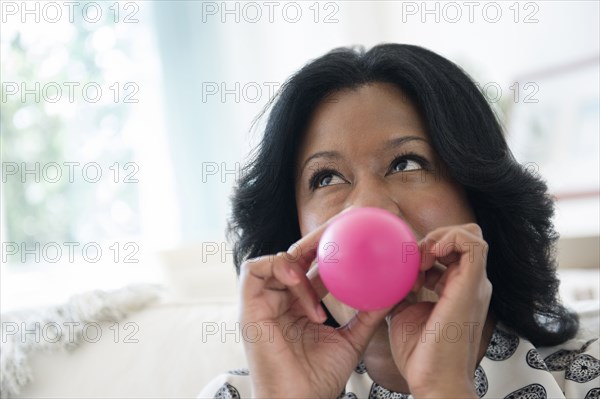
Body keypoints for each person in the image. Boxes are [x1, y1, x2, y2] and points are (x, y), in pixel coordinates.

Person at [199, 44, 599, 398]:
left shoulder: (583, 377)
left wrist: (442, 387)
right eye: (327, 177)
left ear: (477, 196)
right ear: (293, 226)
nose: (367, 207)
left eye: (406, 163)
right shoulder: (235, 394)